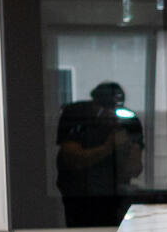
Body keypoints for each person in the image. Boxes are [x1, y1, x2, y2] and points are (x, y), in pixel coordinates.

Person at [55, 79, 145, 214]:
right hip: (79, 199)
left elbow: (134, 169)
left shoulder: (128, 122)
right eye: (104, 107)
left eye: (115, 107)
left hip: (116, 199)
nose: (109, 114)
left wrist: (125, 148)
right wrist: (107, 147)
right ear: (94, 103)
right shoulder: (77, 115)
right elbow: (72, 159)